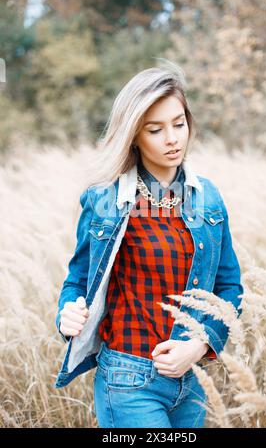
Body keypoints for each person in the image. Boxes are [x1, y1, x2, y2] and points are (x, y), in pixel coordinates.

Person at [54, 59, 244, 428]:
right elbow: (78, 282)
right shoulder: (106, 199)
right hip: (128, 380)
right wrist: (67, 313)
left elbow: (229, 288)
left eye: (179, 123)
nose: (173, 138)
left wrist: (200, 346)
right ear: (134, 136)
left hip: (190, 382)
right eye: (155, 130)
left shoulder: (207, 198)